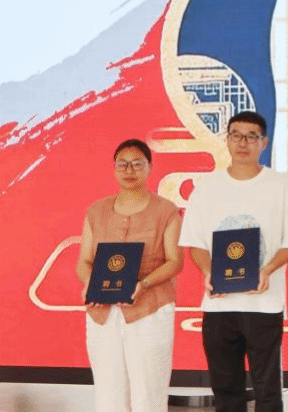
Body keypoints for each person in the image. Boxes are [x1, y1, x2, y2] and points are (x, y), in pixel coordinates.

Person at [178, 111, 288, 412]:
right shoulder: (207, 188)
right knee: (225, 388)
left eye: (251, 136)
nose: (243, 143)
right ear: (226, 140)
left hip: (264, 303)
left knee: (267, 390)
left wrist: (268, 270)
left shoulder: (281, 186)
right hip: (219, 304)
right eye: (236, 135)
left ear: (264, 143)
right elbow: (195, 243)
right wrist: (208, 271)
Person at [77, 138, 183, 412]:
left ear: (150, 167)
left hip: (150, 311)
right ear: (114, 169)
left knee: (149, 392)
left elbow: (175, 262)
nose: (129, 170)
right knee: (108, 393)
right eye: (122, 164)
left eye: (137, 164)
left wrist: (144, 283)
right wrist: (92, 286)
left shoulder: (166, 211)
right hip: (102, 313)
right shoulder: (95, 211)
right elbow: (84, 262)